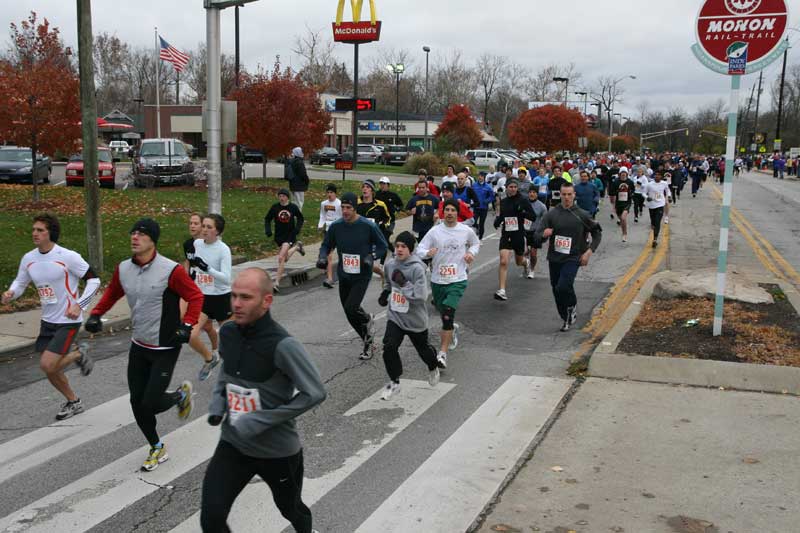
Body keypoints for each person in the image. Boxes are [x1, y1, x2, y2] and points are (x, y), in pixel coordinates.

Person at [201, 268, 326, 533]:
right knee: (211, 516)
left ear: (266, 301)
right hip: (233, 442)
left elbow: (315, 392)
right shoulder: (229, 333)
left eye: (245, 297)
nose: (236, 303)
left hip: (276, 450)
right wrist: (217, 403)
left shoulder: (283, 345)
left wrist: (261, 419)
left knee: (290, 508)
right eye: (234, 295)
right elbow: (226, 371)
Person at [86, 218, 201, 471]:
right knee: (136, 403)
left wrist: (188, 324)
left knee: (150, 403)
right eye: (133, 232)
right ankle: (156, 446)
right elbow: (113, 293)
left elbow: (195, 296)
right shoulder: (124, 268)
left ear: (152, 240)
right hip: (139, 345)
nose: (134, 237)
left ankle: (180, 395)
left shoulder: (171, 270)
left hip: (165, 347)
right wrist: (96, 314)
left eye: (141, 234)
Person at [3, 213, 100, 420]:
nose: (35, 233)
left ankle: (78, 353)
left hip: (68, 320)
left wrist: (79, 305)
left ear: (51, 233)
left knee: (47, 364)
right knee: (51, 370)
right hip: (48, 320)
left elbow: (94, 280)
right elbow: (20, 283)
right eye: (33, 230)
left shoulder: (67, 256)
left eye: (40, 230)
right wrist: (11, 293)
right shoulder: (29, 259)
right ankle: (74, 401)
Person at [317, 193, 388, 360]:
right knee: (349, 312)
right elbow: (326, 244)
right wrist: (322, 256)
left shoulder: (367, 226)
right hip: (344, 274)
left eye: (349, 208)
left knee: (351, 307)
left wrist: (371, 256)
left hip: (362, 275)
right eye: (343, 207)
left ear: (355, 209)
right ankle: (367, 339)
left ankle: (366, 318)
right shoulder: (336, 226)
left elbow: (382, 246)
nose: (345, 211)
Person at [377, 232, 441, 400]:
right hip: (396, 316)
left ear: (411, 249)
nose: (399, 249)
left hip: (415, 319)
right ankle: (395, 381)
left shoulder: (417, 268)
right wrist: (385, 293)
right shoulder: (390, 264)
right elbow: (388, 283)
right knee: (389, 347)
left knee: (424, 351)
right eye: (397, 246)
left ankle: (433, 365)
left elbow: (421, 297)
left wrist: (404, 283)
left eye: (403, 246)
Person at [417, 199, 480, 368]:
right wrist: (427, 253)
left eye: (453, 210)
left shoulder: (465, 230)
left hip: (457, 279)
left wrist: (470, 253)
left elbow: (475, 243)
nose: (450, 213)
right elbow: (420, 249)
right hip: (438, 280)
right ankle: (452, 327)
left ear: (457, 213)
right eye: (447, 210)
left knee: (447, 312)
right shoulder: (435, 231)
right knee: (441, 309)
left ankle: (442, 354)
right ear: (443, 212)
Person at [535, 183, 602, 332]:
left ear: (574, 195)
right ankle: (565, 316)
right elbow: (537, 236)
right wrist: (543, 235)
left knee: (563, 285)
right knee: (556, 289)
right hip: (555, 257)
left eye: (569, 194)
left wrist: (589, 252)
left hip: (574, 256)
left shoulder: (582, 214)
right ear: (560, 195)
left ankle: (571, 307)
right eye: (563, 194)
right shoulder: (551, 214)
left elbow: (597, 234)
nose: (566, 198)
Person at [189, 214, 232, 381]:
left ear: (218, 231)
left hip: (221, 298)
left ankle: (233, 375)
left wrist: (207, 269)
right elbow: (196, 269)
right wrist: (194, 274)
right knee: (190, 335)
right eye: (203, 226)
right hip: (203, 298)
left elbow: (226, 278)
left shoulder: (223, 249)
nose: (204, 230)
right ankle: (210, 358)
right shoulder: (197, 244)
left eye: (209, 227)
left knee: (230, 340)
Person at [493, 178, 535, 301]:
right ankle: (502, 290)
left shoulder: (523, 200)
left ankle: (526, 263)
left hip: (518, 235)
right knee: (503, 261)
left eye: (515, 187)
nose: (512, 189)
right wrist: (498, 221)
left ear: (517, 188)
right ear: (506, 187)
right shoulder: (504, 201)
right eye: (510, 187)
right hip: (506, 234)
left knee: (518, 262)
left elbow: (533, 216)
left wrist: (522, 212)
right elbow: (503, 215)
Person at [264, 189, 306, 293]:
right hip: (279, 236)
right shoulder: (275, 207)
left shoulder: (292, 207)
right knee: (285, 258)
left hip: (289, 235)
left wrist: (297, 229)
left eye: (283, 196)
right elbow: (267, 219)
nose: (281, 198)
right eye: (280, 196)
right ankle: (297, 247)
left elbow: (300, 218)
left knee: (281, 257)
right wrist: (268, 230)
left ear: (287, 197)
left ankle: (276, 283)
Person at [357, 179, 392, 275]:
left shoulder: (380, 205)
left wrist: (381, 226)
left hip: (373, 237)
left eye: (367, 187)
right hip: (359, 235)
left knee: (368, 259)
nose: (365, 189)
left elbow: (388, 218)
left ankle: (379, 272)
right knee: (362, 259)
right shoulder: (357, 203)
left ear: (372, 191)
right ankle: (379, 273)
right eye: (363, 187)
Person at [318, 183, 342, 289]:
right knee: (329, 255)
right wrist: (320, 225)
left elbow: (342, 217)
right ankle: (330, 278)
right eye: (328, 192)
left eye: (331, 192)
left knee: (341, 254)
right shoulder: (324, 203)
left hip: (338, 231)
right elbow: (322, 215)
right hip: (328, 231)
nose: (329, 194)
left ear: (335, 193)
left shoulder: (339, 204)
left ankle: (343, 275)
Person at [644, 171, 671, 248]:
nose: (657, 176)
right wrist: (647, 197)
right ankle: (653, 225)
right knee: (653, 222)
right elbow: (643, 193)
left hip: (660, 204)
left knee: (657, 222)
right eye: (656, 175)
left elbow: (668, 190)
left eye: (659, 175)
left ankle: (655, 239)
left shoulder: (664, 183)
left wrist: (669, 196)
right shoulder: (649, 184)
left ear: (661, 177)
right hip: (652, 205)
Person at [525, 188, 548, 279]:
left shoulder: (542, 206)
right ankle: (525, 265)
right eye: (530, 192)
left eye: (534, 192)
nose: (531, 194)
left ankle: (532, 270)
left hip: (535, 232)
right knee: (525, 252)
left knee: (533, 254)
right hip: (524, 231)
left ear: (537, 194)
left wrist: (542, 232)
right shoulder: (524, 203)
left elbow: (545, 221)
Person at [608, 167, 633, 242]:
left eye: (624, 173)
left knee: (623, 218)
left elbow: (633, 190)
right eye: (622, 173)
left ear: (627, 174)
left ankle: (625, 234)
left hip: (627, 202)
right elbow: (611, 193)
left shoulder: (630, 182)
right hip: (618, 203)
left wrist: (632, 194)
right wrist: (613, 203)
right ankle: (623, 231)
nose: (623, 174)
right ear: (619, 174)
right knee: (621, 220)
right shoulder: (615, 182)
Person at [375, 176, 404, 241]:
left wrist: (397, 209)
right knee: (379, 238)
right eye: (381, 184)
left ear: (388, 185)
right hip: (379, 220)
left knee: (385, 238)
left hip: (390, 221)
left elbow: (400, 205)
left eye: (384, 184)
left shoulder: (393, 195)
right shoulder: (376, 195)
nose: (382, 186)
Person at [472, 171, 496, 239]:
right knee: (473, 222)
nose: (480, 177)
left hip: (484, 208)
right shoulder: (474, 185)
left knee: (482, 224)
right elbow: (470, 194)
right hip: (476, 207)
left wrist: (487, 201)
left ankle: (480, 238)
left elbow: (492, 197)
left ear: (484, 178)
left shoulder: (488, 187)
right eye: (479, 176)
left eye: (481, 176)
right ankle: (475, 233)